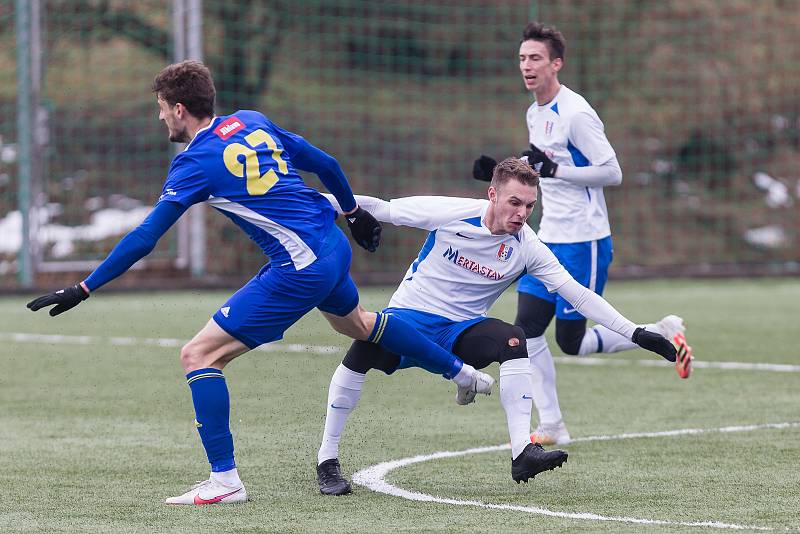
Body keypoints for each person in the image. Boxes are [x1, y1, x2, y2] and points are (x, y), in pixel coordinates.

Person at [25, 60, 494, 506]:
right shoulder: (251, 120)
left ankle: (224, 480)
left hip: (300, 268)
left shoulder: (193, 162)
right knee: (361, 324)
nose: (160, 116)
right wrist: (352, 212)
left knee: (199, 354)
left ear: (180, 109)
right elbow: (326, 163)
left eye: (162, 107)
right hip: (331, 245)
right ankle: (463, 373)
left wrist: (85, 286)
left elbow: (147, 235)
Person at [316, 158, 679, 496]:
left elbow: (578, 295)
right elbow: (384, 208)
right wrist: (314, 202)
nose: (521, 214)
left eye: (529, 206)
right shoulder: (453, 213)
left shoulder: (528, 247)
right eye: (514, 202)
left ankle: (523, 453)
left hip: (461, 331)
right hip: (410, 317)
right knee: (362, 349)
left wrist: (636, 332)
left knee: (513, 338)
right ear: (492, 194)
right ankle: (327, 460)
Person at [472, 22, 693, 446]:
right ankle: (552, 424)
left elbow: (612, 172)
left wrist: (556, 171)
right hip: (547, 234)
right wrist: (507, 167)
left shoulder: (576, 113)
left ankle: (662, 331)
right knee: (527, 328)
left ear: (557, 63)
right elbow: (541, 162)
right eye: (522, 58)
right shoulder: (534, 112)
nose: (527, 66)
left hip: (585, 240)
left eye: (535, 58)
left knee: (570, 341)